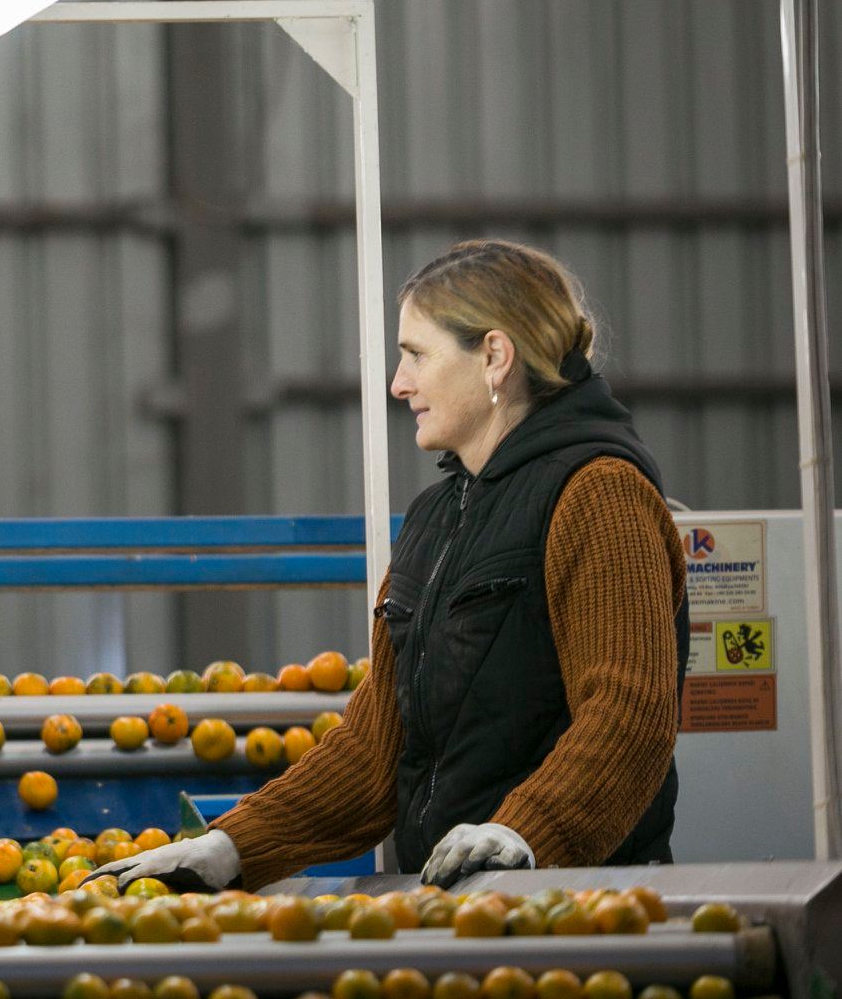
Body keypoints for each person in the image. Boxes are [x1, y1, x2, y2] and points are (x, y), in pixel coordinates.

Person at [102, 239, 688, 891]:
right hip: (456, 905)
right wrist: (231, 847)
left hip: (579, 905)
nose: (399, 383)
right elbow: (372, 752)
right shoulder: (436, 518)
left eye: (416, 355)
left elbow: (629, 715)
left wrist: (525, 833)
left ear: (494, 357)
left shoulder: (599, 493)